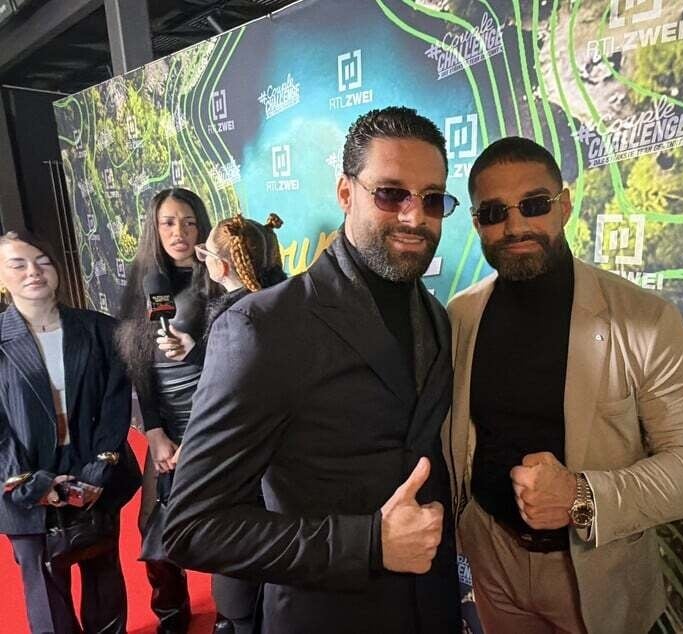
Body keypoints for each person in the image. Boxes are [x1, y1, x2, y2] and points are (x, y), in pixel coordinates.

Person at [163, 106, 462, 633]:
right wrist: (367, 543)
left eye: (433, 199)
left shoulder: (436, 316)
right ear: (346, 193)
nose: (415, 217)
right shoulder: (265, 325)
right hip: (325, 616)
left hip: (431, 610)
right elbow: (193, 526)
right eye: (391, 194)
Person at [445, 137, 683, 634]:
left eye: (534, 205)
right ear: (476, 224)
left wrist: (582, 497)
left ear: (566, 204)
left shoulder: (645, 319)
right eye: (493, 213)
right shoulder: (460, 315)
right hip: (491, 559)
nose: (515, 227)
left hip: (597, 570)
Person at [0, 230, 140, 634]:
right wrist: (27, 481)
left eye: (42, 260)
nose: (33, 271)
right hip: (23, 483)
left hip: (93, 473)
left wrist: (99, 468)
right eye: (18, 264)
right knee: (45, 590)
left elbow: (115, 407)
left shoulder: (99, 330)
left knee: (104, 577)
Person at [163, 212, 286, 634]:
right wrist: (200, 351)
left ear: (222, 264)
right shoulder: (293, 302)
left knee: (240, 593)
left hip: (245, 477)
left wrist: (192, 448)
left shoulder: (234, 319)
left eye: (204, 252)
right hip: (291, 480)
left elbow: (226, 399)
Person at [116, 187, 214, 634]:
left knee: (229, 525)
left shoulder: (216, 279)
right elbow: (140, 368)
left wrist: (194, 352)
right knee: (153, 533)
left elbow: (244, 352)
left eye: (189, 221)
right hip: (168, 429)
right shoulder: (145, 285)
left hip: (217, 424)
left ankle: (236, 616)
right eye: (169, 222)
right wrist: (154, 432)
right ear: (155, 229)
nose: (180, 231)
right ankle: (172, 617)